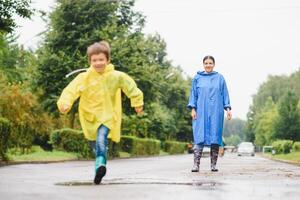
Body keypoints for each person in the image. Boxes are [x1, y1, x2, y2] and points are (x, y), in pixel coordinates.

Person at [57, 41, 144, 184]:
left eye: (101, 59)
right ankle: (99, 165)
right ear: (90, 61)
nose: (98, 63)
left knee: (101, 137)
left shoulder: (116, 76)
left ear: (108, 60)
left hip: (107, 115)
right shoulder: (84, 77)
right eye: (94, 60)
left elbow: (130, 86)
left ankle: (100, 164)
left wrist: (137, 102)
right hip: (89, 117)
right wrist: (65, 103)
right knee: (95, 144)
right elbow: (71, 90)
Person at [187, 55, 232, 172]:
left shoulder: (220, 78)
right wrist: (193, 109)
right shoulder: (197, 78)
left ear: (214, 64)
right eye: (206, 63)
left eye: (210, 63)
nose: (208, 65)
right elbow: (193, 94)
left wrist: (228, 109)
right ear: (203, 64)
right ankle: (196, 165)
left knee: (215, 136)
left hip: (216, 111)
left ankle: (213, 165)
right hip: (201, 111)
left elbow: (225, 94)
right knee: (199, 135)